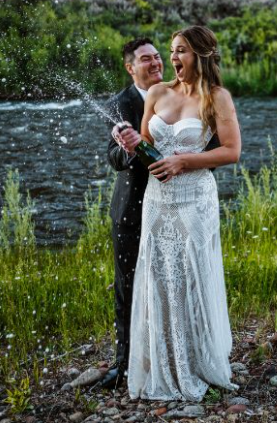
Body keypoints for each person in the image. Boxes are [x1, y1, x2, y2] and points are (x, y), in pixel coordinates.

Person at [120, 25, 241, 402]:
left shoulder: (217, 97)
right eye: (172, 51)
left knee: (192, 276)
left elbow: (231, 152)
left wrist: (184, 161)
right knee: (158, 278)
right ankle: (161, 363)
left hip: (195, 199)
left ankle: (197, 362)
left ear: (201, 55)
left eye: (182, 52)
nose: (173, 59)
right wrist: (131, 144)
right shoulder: (157, 93)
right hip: (158, 202)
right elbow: (148, 149)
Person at [102, 37, 164, 389]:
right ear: (130, 67)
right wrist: (126, 149)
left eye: (158, 57)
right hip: (132, 211)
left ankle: (165, 355)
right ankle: (123, 366)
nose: (156, 64)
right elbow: (113, 158)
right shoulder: (120, 104)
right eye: (146, 59)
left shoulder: (172, 94)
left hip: (170, 207)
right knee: (127, 287)